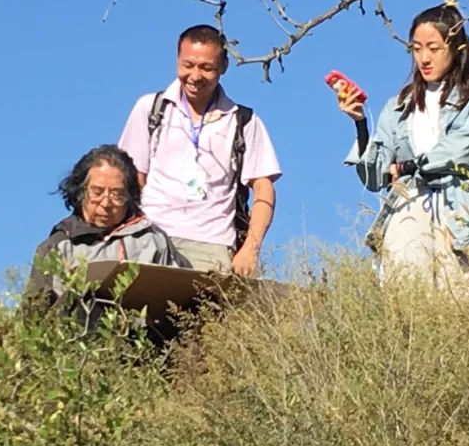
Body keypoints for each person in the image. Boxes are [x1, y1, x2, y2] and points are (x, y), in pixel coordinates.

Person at [335, 3, 469, 288]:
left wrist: (409, 166)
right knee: (408, 307)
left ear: (456, 48)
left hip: (461, 215)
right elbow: (374, 176)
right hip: (408, 209)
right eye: (417, 49)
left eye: (434, 48)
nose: (424, 58)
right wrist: (360, 122)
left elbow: (465, 149)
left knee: (468, 307)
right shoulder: (398, 106)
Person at [118, 24, 281, 276]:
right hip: (149, 238)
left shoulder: (244, 121)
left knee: (209, 316)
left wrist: (250, 249)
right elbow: (132, 178)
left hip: (213, 246)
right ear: (177, 61)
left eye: (206, 67)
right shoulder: (150, 108)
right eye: (187, 65)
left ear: (223, 67)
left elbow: (264, 188)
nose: (195, 76)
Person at [25, 145, 183, 329]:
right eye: (97, 192)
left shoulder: (153, 240)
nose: (106, 203)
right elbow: (33, 317)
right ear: (81, 191)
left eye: (117, 195)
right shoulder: (60, 245)